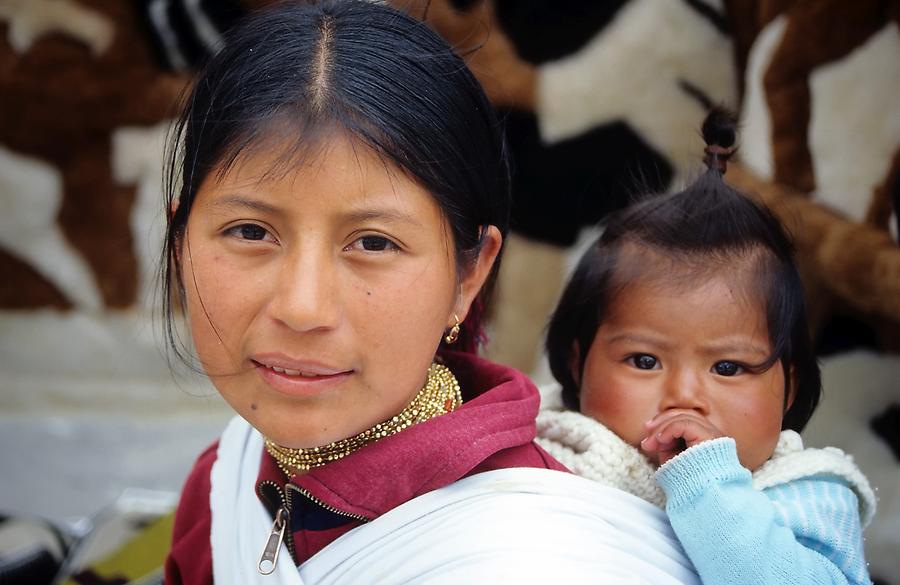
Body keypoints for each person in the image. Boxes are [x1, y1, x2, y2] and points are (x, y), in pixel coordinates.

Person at [160, 2, 701, 584]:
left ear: (470, 275)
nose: (302, 307)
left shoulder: (533, 558)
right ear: (179, 243)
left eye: (372, 243)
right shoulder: (226, 484)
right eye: (250, 232)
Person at [538, 108, 876, 585]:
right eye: (644, 360)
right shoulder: (544, 450)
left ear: (790, 388)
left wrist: (709, 489)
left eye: (729, 368)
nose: (684, 395)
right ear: (577, 366)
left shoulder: (806, 494)